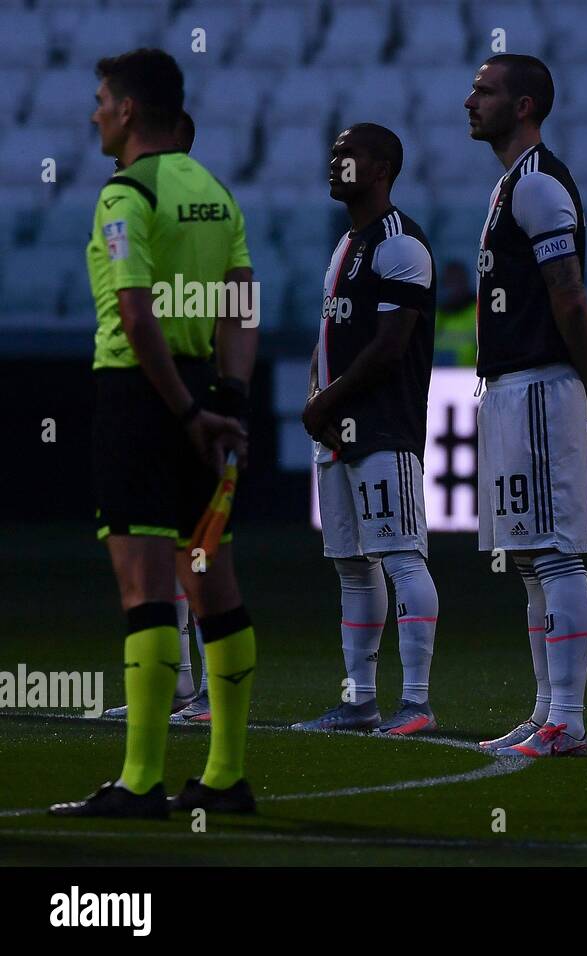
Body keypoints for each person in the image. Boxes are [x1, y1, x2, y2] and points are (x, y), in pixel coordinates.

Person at [51, 49, 258, 818]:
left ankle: (139, 782)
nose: (95, 112)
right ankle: (227, 775)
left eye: (102, 98)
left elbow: (136, 317)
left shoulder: (124, 195)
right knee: (215, 589)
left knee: (146, 592)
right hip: (206, 393)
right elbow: (242, 309)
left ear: (130, 110)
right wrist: (225, 403)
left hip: (143, 402)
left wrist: (180, 412)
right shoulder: (217, 194)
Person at [465, 54, 587, 758]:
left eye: (486, 91)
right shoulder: (512, 186)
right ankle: (544, 711)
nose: (471, 101)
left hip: (537, 385)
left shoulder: (537, 186)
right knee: (531, 558)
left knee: (556, 555)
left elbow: (569, 292)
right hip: (512, 387)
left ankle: (569, 718)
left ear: (524, 105)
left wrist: (584, 380)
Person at [293, 124, 441, 736]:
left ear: (380, 168)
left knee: (402, 557)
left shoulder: (400, 243)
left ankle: (417, 703)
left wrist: (327, 399)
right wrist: (318, 398)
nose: (333, 164)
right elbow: (335, 336)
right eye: (331, 154)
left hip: (384, 427)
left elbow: (388, 348)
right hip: (337, 431)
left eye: (345, 155)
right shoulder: (349, 243)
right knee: (353, 566)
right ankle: (359, 701)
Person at [103, 107, 210, 725]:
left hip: (164, 391)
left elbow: (141, 313)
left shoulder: (141, 203)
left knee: (185, 552)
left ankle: (196, 700)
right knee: (174, 553)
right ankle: (181, 689)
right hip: (184, 386)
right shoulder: (213, 205)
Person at [434, 261, 478, 367]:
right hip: (437, 376)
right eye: (449, 283)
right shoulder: (437, 315)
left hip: (468, 377)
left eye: (457, 282)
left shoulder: (477, 313)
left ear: (465, 283)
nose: (453, 288)